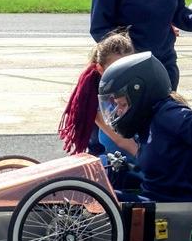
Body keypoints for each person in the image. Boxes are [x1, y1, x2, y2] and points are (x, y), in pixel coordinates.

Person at [98, 51, 192, 202]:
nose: (118, 111)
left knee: (98, 195)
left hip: (177, 203)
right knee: (95, 189)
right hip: (155, 197)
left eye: (122, 104)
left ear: (139, 92)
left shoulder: (169, 115)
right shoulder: (146, 120)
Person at [58, 30, 138, 159]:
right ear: (100, 69)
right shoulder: (93, 96)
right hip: (110, 157)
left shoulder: (139, 84)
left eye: (129, 67)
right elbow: (121, 140)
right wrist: (150, 162)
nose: (124, 74)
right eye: (116, 69)